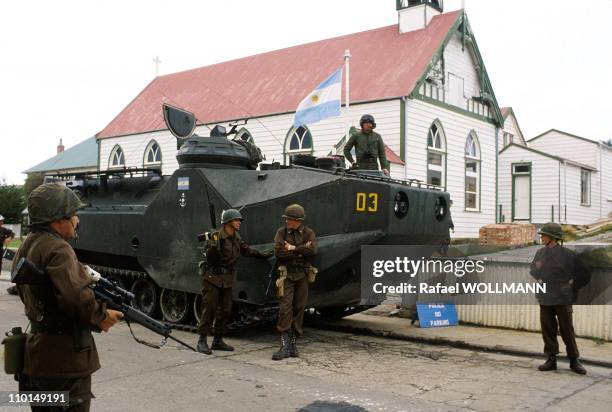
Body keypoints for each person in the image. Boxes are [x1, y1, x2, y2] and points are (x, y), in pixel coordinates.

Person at [12, 183, 123, 411]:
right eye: (73, 214)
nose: (77, 220)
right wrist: (101, 315)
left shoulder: (27, 245)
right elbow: (74, 297)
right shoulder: (58, 248)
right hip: (65, 366)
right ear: (58, 219)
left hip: (36, 360)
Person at [196, 209, 271, 354]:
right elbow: (210, 259)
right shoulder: (216, 236)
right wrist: (212, 246)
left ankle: (217, 340)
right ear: (229, 222)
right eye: (237, 220)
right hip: (213, 278)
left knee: (225, 310)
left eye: (239, 221)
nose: (239, 223)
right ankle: (202, 341)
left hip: (227, 280)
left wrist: (265, 254)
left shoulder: (236, 237)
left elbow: (246, 250)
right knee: (209, 309)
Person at [530, 222, 587, 375]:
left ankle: (574, 360)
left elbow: (585, 274)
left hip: (563, 298)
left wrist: (572, 284)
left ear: (552, 237)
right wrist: (538, 268)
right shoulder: (540, 253)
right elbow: (533, 272)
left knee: (567, 330)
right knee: (548, 329)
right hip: (546, 296)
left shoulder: (568, 255)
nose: (541, 237)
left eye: (544, 235)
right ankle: (551, 359)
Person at [272, 204, 317, 360]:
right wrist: (300, 250)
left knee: (299, 307)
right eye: (286, 219)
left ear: (296, 220)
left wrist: (292, 248)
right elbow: (279, 252)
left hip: (302, 275)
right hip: (287, 275)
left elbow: (312, 251)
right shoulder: (281, 232)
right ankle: (284, 345)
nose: (286, 221)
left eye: (289, 219)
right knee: (285, 308)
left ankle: (293, 343)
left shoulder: (308, 232)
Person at [1, 214, 17, 294]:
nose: (2, 222)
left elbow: (12, 233)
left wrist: (9, 238)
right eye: (0, 221)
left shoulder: (3, 230)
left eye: (2, 221)